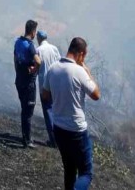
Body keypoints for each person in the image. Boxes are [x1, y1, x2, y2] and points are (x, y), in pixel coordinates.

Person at [42, 37, 101, 190]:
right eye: (84, 56)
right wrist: (87, 72)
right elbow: (96, 95)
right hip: (76, 130)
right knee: (86, 173)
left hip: (59, 129)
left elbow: (45, 95)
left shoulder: (53, 68)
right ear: (80, 54)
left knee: (69, 170)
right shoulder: (80, 71)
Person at [13, 20, 41, 148]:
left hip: (19, 80)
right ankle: (27, 140)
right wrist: (34, 70)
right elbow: (38, 62)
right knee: (28, 111)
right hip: (28, 84)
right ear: (33, 32)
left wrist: (19, 71)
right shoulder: (30, 45)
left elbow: (15, 59)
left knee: (24, 109)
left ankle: (25, 137)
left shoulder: (18, 42)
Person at [36, 30, 61, 147]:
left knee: (48, 111)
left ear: (38, 39)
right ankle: (60, 138)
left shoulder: (38, 50)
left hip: (44, 85)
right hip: (55, 84)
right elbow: (60, 64)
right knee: (56, 111)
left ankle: (53, 140)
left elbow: (36, 67)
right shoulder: (54, 48)